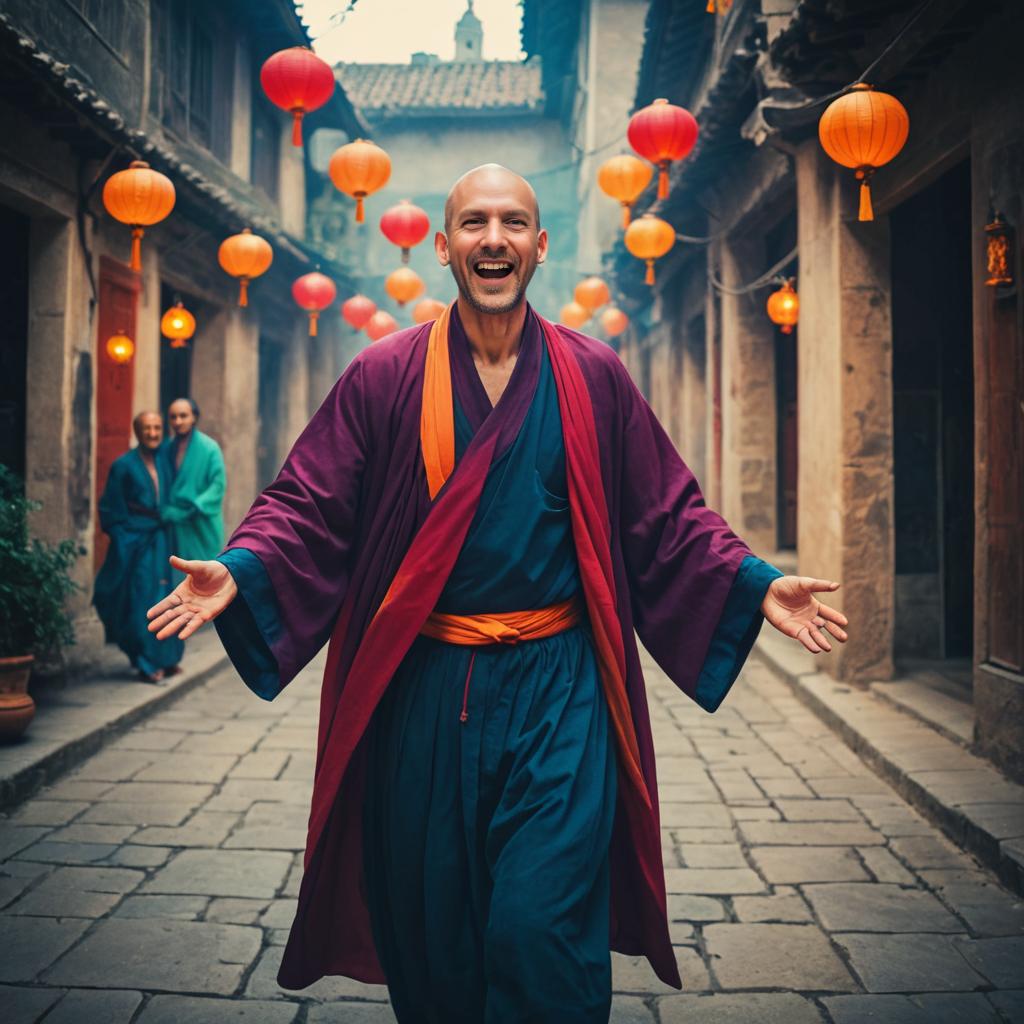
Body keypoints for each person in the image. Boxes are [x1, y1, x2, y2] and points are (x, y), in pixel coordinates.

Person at [148, 165, 850, 1023]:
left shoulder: (593, 376)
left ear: (539, 246)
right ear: (442, 248)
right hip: (425, 691)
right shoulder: (383, 376)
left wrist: (751, 584)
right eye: (473, 223)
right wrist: (247, 564)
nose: (493, 239)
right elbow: (309, 503)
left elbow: (665, 516)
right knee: (433, 936)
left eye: (513, 223)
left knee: (538, 931)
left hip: (560, 690)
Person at [94, 411, 183, 683]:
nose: (153, 433)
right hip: (136, 539)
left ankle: (166, 659)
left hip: (161, 538)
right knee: (141, 600)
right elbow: (110, 507)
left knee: (166, 597)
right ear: (137, 430)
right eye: (147, 428)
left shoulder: (165, 461)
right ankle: (145, 661)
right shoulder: (123, 465)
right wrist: (123, 538)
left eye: (157, 428)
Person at [159, 397, 226, 564]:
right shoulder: (166, 448)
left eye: (183, 416)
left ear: (194, 417)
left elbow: (218, 485)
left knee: (206, 575)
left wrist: (198, 505)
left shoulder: (210, 447)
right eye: (173, 417)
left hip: (201, 523)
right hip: (174, 524)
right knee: (177, 573)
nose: (178, 421)